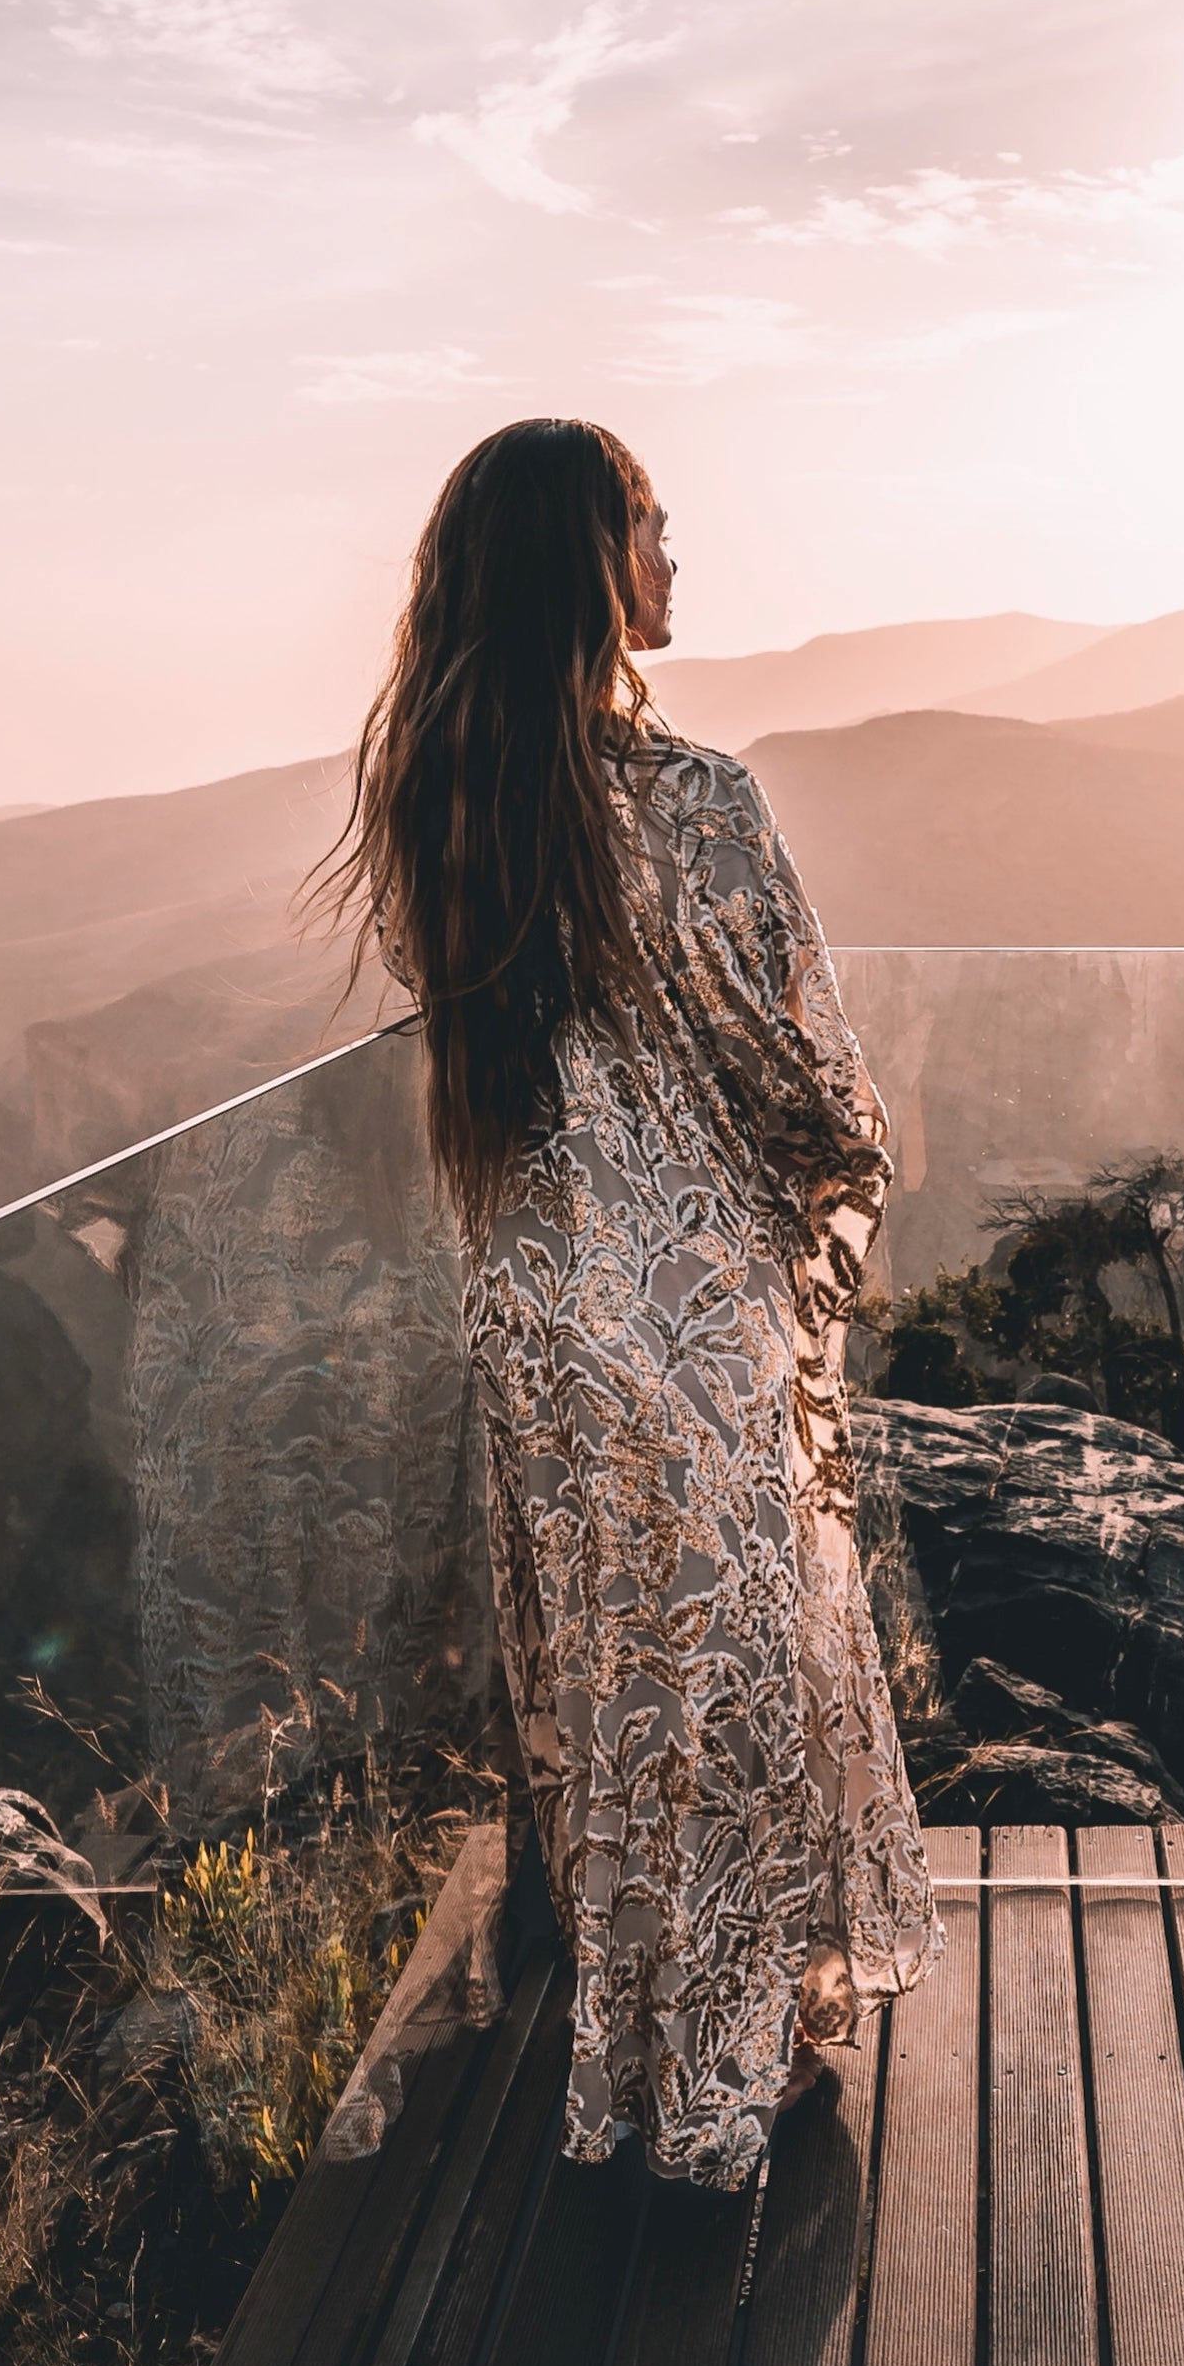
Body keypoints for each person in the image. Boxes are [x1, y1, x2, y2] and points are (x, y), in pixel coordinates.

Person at [317, 417, 942, 2189]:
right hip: (680, 1311)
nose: (679, 562)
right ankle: (723, 2070)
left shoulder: (448, 800)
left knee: (610, 1694)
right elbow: (800, 1062)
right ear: (590, 564)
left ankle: (644, 2043)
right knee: (738, 1684)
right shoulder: (697, 800)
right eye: (654, 530)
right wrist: (838, 1174)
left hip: (533, 1309)